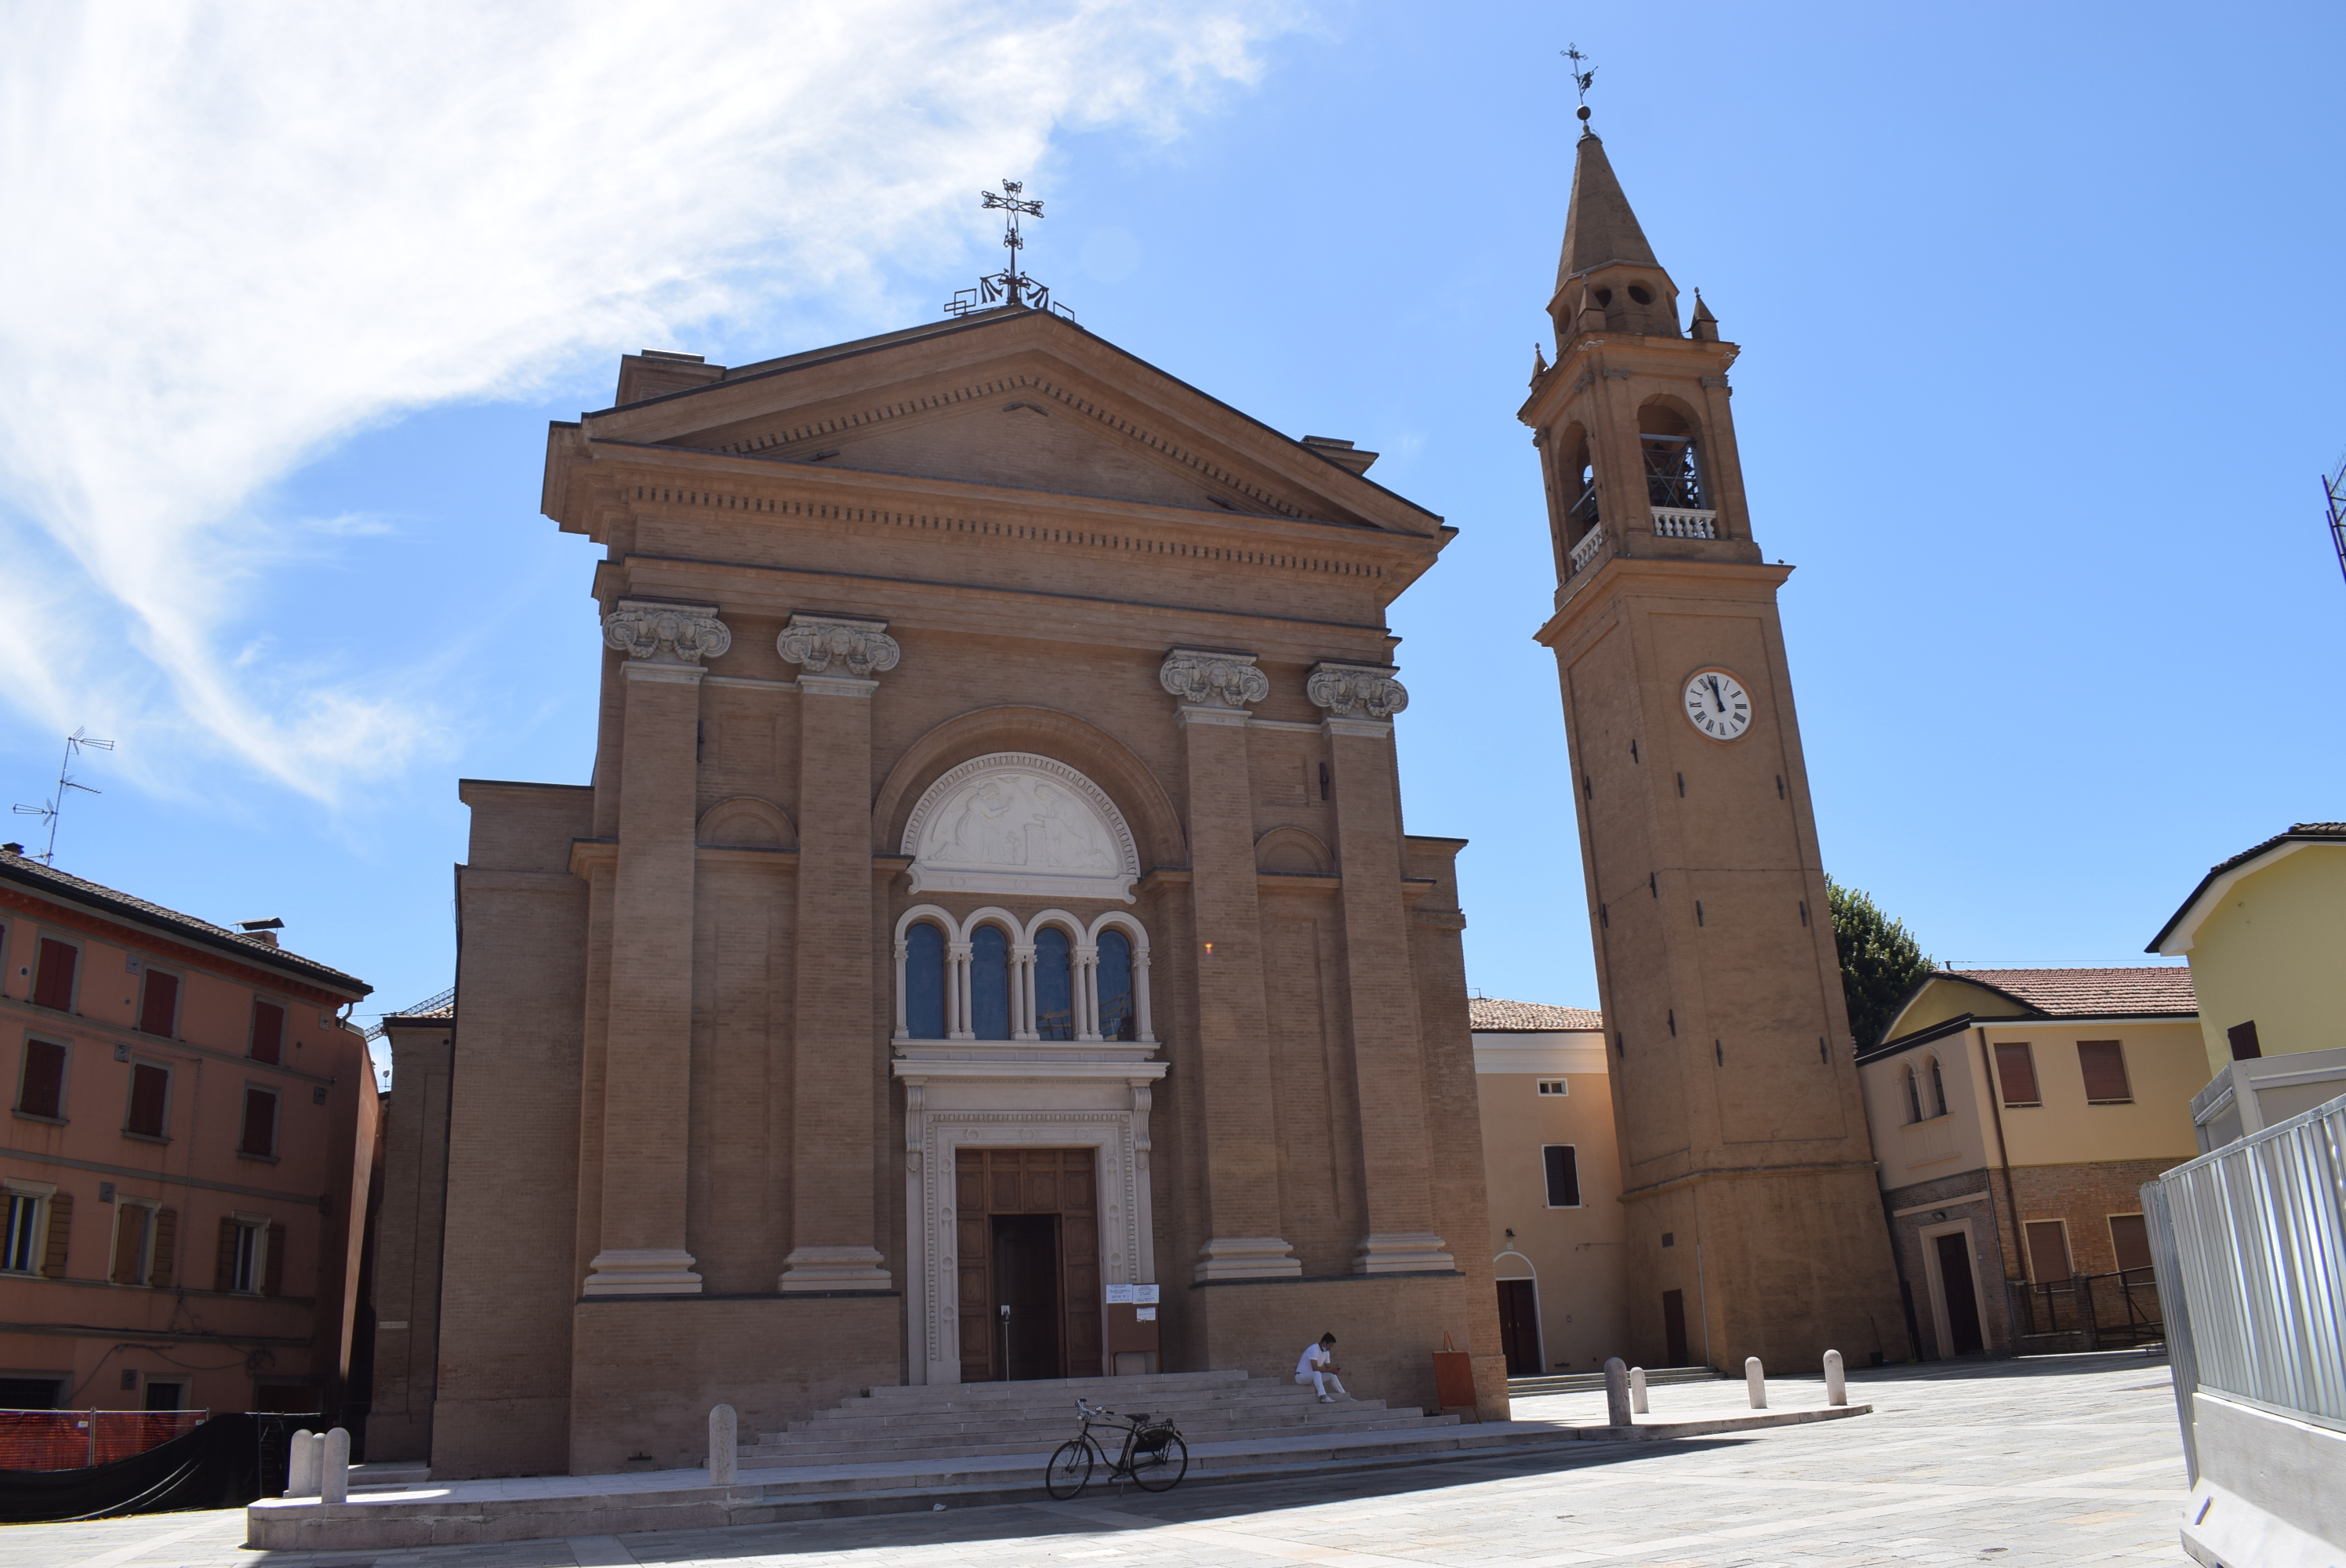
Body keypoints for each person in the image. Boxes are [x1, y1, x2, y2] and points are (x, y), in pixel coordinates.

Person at [1295, 1333, 1347, 1402]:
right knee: (1317, 1373)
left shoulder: (1326, 1352)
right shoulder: (1314, 1349)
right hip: (1301, 1376)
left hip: (1313, 1377)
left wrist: (1334, 1370)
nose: (1330, 1348)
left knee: (1331, 1375)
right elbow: (1315, 1368)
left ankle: (1344, 1395)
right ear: (1324, 1343)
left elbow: (1328, 1367)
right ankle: (1323, 1396)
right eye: (1330, 1345)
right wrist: (1331, 1369)